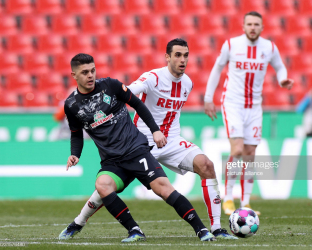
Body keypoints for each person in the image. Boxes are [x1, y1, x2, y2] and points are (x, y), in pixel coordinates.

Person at [59, 39, 237, 241]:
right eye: (178, 55)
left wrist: (157, 130)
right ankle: (79, 222)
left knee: (206, 165)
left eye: (186, 55)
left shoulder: (187, 83)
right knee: (103, 188)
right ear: (167, 57)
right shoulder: (151, 78)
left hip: (168, 141)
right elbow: (131, 93)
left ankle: (215, 228)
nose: (183, 60)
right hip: (143, 140)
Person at [204, 11, 294, 215]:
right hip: (233, 103)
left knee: (250, 155)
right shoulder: (231, 45)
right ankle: (227, 199)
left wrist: (283, 79)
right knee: (236, 150)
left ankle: (245, 203)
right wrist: (208, 98)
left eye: (256, 24)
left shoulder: (269, 47)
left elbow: (280, 67)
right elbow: (217, 69)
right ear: (243, 27)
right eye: (249, 24)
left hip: (254, 106)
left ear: (262, 28)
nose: (253, 27)